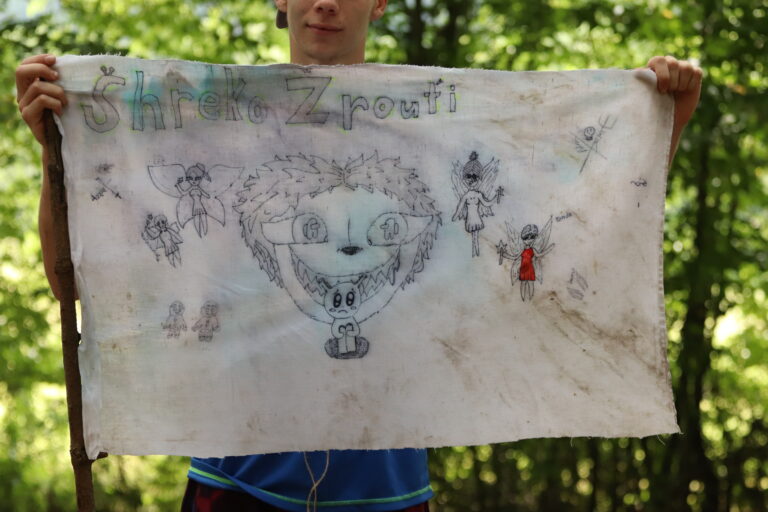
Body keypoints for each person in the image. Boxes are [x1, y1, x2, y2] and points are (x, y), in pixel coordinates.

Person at [15, 0, 703, 510]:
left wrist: (653, 128)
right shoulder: (216, 140)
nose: (325, 3)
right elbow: (74, 282)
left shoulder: (437, 143)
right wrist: (57, 153)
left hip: (388, 491)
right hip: (236, 485)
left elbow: (566, 233)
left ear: (379, 2)